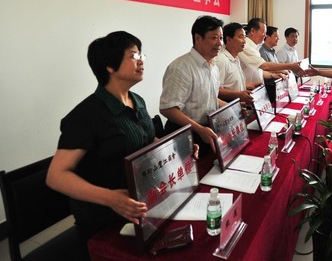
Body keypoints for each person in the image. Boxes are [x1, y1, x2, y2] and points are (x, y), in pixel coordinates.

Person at [46, 31, 156, 260]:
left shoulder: (137, 101)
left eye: (141, 55)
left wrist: (177, 148)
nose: (141, 61)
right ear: (110, 66)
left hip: (140, 207)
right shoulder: (86, 116)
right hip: (104, 220)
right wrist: (111, 198)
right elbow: (56, 176)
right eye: (133, 56)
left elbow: (144, 140)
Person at [159, 15, 225, 154]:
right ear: (198, 38)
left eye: (221, 38)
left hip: (207, 131)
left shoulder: (213, 67)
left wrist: (234, 109)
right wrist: (199, 129)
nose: (219, 43)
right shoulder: (181, 68)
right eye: (214, 38)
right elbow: (168, 109)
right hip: (185, 135)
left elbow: (210, 98)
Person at [238, 17, 304, 85]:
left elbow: (258, 71)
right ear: (253, 31)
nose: (265, 35)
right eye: (263, 32)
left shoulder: (256, 47)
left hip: (258, 87)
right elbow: (264, 66)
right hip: (249, 88)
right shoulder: (246, 47)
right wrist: (290, 66)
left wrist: (272, 75)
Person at [215, 22, 256, 104]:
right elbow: (217, 91)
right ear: (229, 39)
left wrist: (251, 85)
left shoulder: (236, 58)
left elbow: (232, 84)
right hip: (228, 107)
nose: (244, 41)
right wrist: (239, 94)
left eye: (245, 37)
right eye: (241, 37)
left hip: (240, 106)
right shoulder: (221, 60)